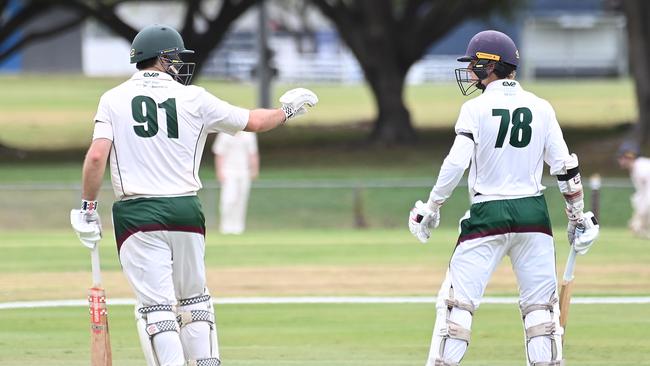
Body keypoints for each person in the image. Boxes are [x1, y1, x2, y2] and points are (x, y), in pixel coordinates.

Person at [70, 24, 317, 366]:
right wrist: (288, 110)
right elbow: (256, 122)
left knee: (157, 308)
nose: (179, 64)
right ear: (162, 58)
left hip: (137, 214)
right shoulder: (195, 98)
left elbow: (97, 156)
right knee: (195, 301)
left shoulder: (112, 99)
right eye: (175, 58)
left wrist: (87, 207)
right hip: (186, 210)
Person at [407, 30, 599, 366]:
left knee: (457, 309)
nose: (468, 72)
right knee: (541, 315)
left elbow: (456, 163)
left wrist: (433, 205)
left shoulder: (475, 108)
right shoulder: (541, 107)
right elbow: (565, 167)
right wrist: (578, 216)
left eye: (472, 64)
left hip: (488, 215)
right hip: (533, 217)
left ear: (488, 66)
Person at [212, 131, 259, 234]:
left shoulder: (249, 135)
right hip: (228, 172)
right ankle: (226, 227)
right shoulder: (224, 134)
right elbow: (219, 153)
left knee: (241, 200)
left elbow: (253, 153)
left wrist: (254, 169)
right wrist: (219, 171)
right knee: (228, 200)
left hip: (244, 172)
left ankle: (238, 228)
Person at [617, 141, 650, 238]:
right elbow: (641, 195)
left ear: (629, 157)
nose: (620, 161)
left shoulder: (641, 168)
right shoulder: (636, 169)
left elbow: (648, 195)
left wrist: (639, 217)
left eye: (621, 157)